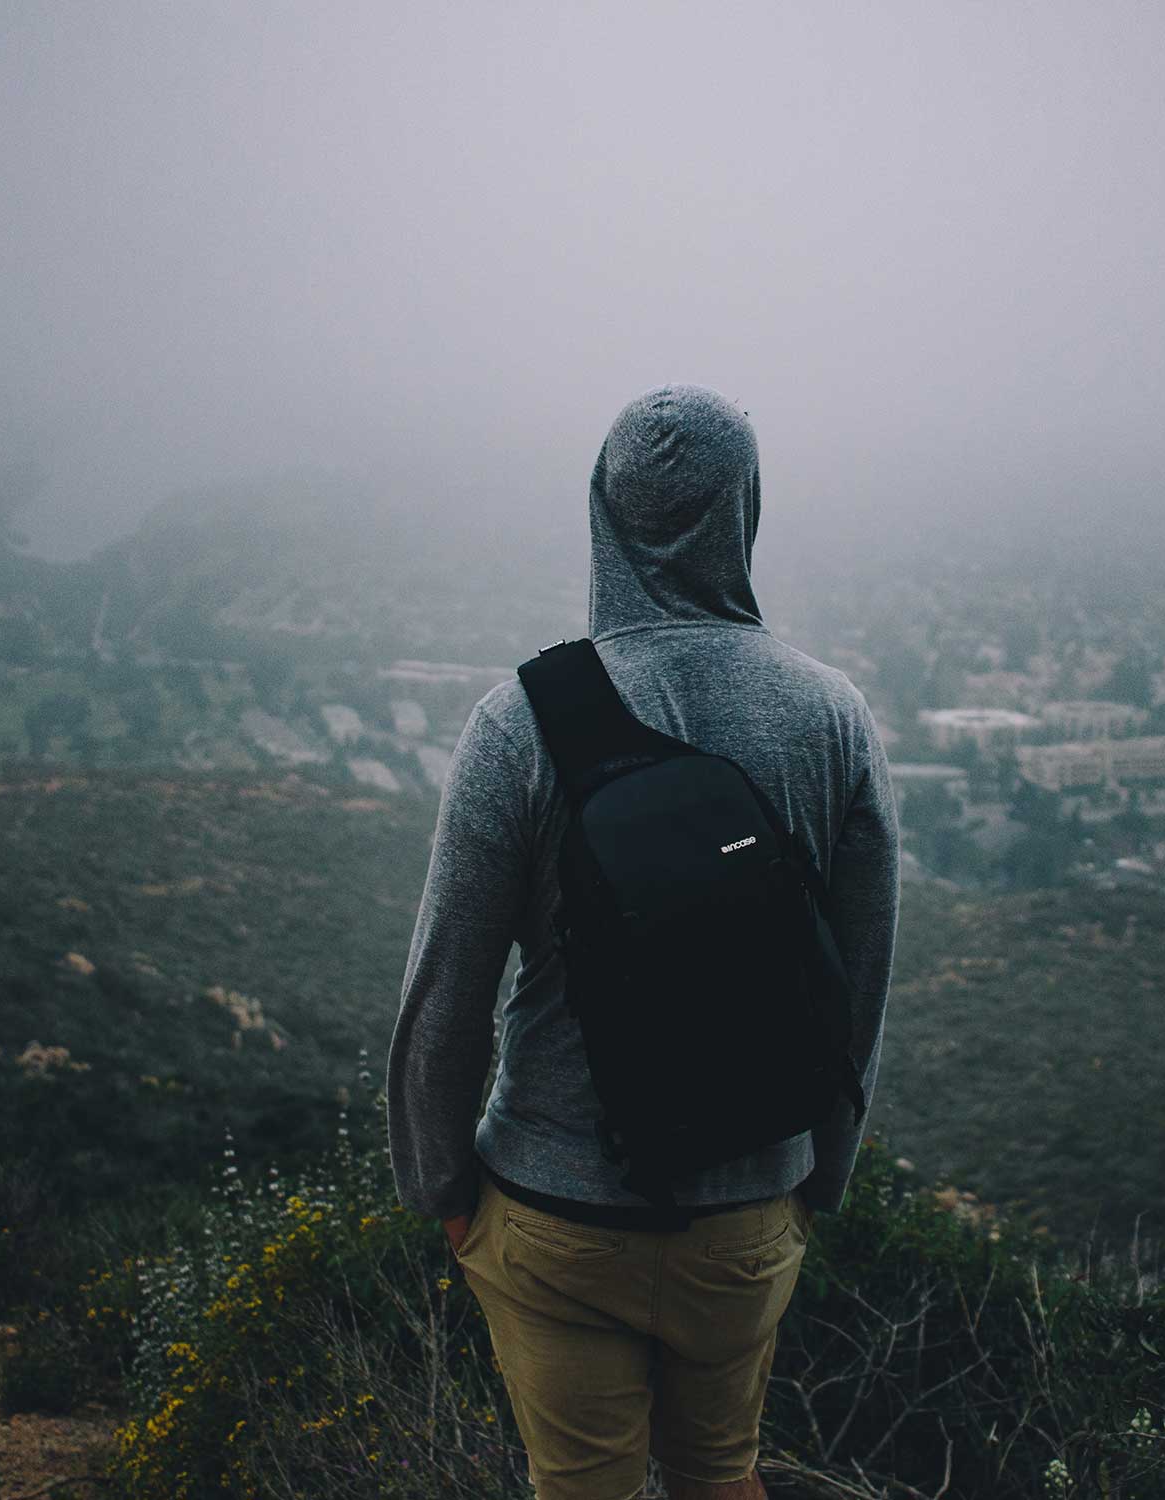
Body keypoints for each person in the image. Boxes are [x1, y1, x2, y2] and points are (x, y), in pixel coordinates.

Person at [386, 382, 900, 1500]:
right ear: (744, 510)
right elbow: (858, 988)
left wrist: (443, 1190)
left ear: (600, 515)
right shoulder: (831, 718)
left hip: (553, 1213)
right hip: (746, 1212)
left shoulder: (518, 722)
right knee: (721, 1476)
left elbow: (446, 996)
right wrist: (819, 1179)